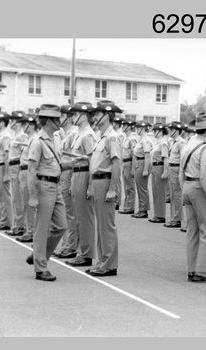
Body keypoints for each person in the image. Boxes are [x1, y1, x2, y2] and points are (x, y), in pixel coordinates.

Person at [25, 104, 73, 282]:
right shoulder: (37, 141)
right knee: (41, 228)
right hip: (44, 187)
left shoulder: (54, 140)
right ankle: (40, 268)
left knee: (61, 226)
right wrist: (33, 196)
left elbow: (56, 165)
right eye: (57, 118)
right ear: (49, 120)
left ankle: (39, 254)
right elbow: (31, 170)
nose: (60, 121)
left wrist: (74, 164)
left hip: (56, 186)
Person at [179, 111, 206, 283]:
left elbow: (181, 173)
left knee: (192, 231)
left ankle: (192, 269)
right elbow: (204, 176)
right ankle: (203, 271)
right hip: (199, 187)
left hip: (187, 186)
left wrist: (184, 192)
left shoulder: (187, 145)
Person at [85, 100, 122, 277]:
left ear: (106, 116)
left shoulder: (112, 137)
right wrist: (92, 185)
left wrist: (113, 188)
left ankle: (109, 265)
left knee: (106, 226)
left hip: (106, 182)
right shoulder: (101, 136)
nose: (94, 118)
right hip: (98, 182)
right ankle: (102, 262)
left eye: (97, 115)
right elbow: (94, 164)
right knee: (100, 225)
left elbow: (116, 163)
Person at [64, 102, 97, 267]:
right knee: (79, 217)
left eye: (75, 115)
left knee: (85, 217)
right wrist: (71, 182)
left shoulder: (88, 135)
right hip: (77, 174)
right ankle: (81, 251)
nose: (72, 117)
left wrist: (91, 185)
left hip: (84, 174)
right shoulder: (79, 134)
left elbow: (92, 160)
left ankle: (86, 254)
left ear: (84, 116)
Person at [52, 105, 79, 258]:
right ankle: (67, 244)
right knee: (66, 211)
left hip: (69, 173)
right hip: (64, 172)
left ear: (68, 117)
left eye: (61, 116)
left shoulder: (73, 133)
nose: (59, 119)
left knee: (70, 212)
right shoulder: (65, 133)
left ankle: (70, 246)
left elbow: (75, 159)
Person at [16, 114, 38, 243]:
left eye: (24, 124)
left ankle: (30, 231)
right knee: (25, 203)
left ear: (31, 125)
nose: (22, 126)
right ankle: (28, 229)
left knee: (30, 204)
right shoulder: (29, 139)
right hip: (23, 171)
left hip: (28, 172)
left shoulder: (34, 139)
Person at [5, 111, 28, 236]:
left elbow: (23, 154)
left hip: (18, 166)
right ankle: (17, 224)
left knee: (18, 198)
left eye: (12, 120)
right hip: (13, 167)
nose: (10, 123)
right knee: (15, 197)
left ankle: (19, 226)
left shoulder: (22, 136)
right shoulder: (16, 135)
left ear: (18, 122)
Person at [165, 121, 187, 228]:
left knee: (177, 194)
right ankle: (174, 217)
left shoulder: (180, 142)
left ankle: (177, 219)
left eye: (172, 130)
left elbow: (183, 158)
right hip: (172, 167)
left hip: (177, 168)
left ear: (177, 131)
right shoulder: (173, 141)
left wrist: (180, 173)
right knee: (173, 194)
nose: (169, 131)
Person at [148, 123, 169, 223]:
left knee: (160, 193)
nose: (154, 133)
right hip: (155, 167)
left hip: (160, 167)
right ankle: (157, 214)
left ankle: (161, 215)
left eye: (155, 131)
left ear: (160, 132)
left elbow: (165, 158)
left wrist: (165, 171)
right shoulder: (157, 143)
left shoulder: (163, 143)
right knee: (155, 192)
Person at [131, 120, 152, 219]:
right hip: (139, 162)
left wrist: (146, 169)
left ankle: (143, 210)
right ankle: (141, 209)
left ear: (143, 129)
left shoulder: (145, 140)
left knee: (142, 188)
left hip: (143, 163)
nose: (137, 130)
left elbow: (147, 155)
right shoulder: (140, 140)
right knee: (139, 187)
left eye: (138, 128)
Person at [118, 119, 138, 215]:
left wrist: (133, 168)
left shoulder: (131, 139)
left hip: (129, 163)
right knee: (126, 186)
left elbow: (134, 154)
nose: (122, 127)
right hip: (124, 163)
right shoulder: (125, 138)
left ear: (129, 127)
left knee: (130, 186)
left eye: (124, 125)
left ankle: (130, 207)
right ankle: (126, 206)